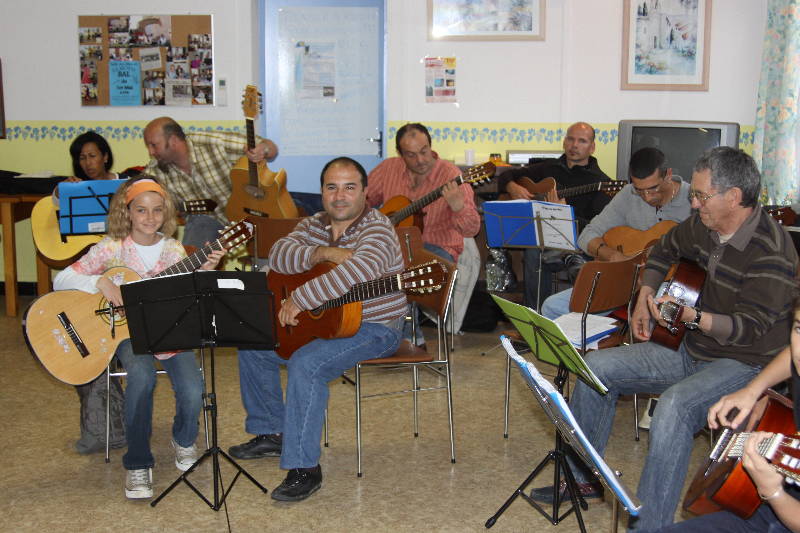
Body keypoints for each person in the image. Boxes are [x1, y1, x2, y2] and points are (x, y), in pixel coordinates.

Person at [530, 147, 798, 532]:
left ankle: (648, 525)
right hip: (692, 351)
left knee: (673, 407)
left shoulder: (771, 249)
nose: (692, 202)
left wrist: (695, 317)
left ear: (734, 197)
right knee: (596, 367)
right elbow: (663, 250)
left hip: (744, 364)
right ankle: (582, 477)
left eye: (702, 195)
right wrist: (644, 294)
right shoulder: (704, 225)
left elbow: (749, 328)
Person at [227, 157, 407, 501]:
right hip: (326, 323)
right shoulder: (314, 224)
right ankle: (271, 431)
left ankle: (304, 468)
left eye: (350, 187)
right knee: (252, 343)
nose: (340, 196)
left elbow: (357, 272)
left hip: (375, 326)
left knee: (306, 364)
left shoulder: (378, 228)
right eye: (332, 187)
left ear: (366, 193)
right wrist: (321, 252)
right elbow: (277, 254)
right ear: (322, 192)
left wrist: (301, 298)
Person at [53, 176, 225, 499]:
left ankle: (184, 439)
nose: (150, 218)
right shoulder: (111, 248)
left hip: (171, 332)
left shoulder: (174, 250)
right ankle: (137, 463)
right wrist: (99, 284)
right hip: (127, 335)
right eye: (142, 210)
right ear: (127, 212)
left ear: (167, 212)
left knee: (193, 389)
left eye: (158, 210)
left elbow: (193, 294)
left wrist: (207, 270)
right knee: (142, 378)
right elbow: (61, 278)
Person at [655, 293, 800, 532]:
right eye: (798, 329)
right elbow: (791, 356)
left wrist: (772, 491)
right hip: (769, 503)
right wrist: (753, 390)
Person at [539, 146, 692, 319]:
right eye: (639, 190)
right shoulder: (628, 194)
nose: (647, 197)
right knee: (551, 307)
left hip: (669, 288)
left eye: (653, 188)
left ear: (668, 174)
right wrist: (612, 255)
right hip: (624, 283)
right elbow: (587, 235)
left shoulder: (693, 200)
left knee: (657, 318)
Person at [62, 131, 140, 455]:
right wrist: (98, 282)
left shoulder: (126, 187)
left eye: (92, 155)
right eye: (82, 158)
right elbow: (66, 277)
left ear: (106, 156)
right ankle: (104, 426)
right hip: (98, 271)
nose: (87, 163)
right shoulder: (77, 191)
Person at [366, 122, 480, 336]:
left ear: (430, 146)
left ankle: (409, 340)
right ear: (400, 154)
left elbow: (472, 228)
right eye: (411, 155)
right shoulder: (389, 168)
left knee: (403, 273)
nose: (420, 160)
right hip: (396, 248)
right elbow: (362, 200)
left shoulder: (450, 175)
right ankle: (375, 334)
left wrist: (458, 207)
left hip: (437, 249)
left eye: (424, 151)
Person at [496, 122, 613, 310]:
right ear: (564, 142)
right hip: (545, 237)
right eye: (570, 139)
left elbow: (595, 228)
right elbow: (505, 175)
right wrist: (512, 187)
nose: (574, 145)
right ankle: (534, 314)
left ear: (592, 147)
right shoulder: (548, 168)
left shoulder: (602, 182)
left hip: (576, 241)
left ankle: (545, 313)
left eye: (582, 141)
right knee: (535, 247)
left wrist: (563, 214)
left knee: (537, 249)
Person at [142, 116, 278, 248]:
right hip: (207, 221)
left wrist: (263, 150)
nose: (150, 151)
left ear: (173, 140)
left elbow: (270, 148)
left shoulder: (212, 143)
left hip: (251, 214)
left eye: (154, 145)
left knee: (278, 255)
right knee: (192, 259)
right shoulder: (155, 172)